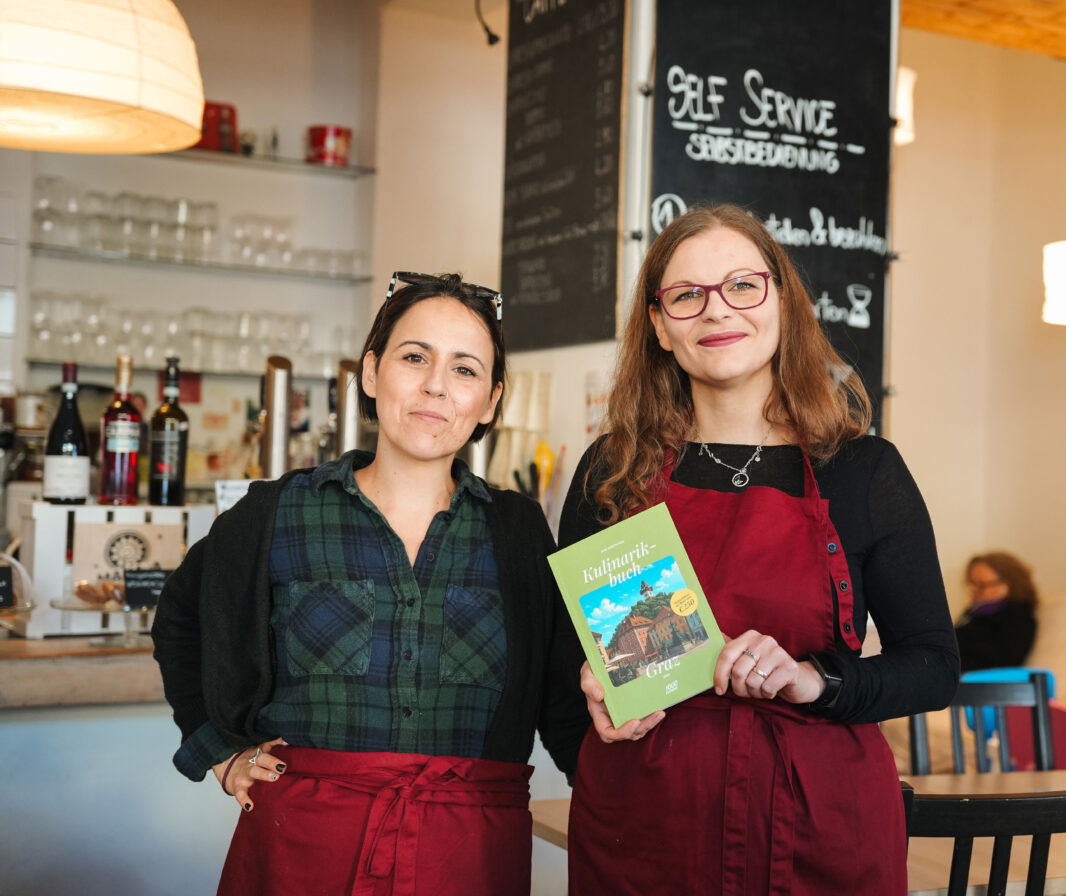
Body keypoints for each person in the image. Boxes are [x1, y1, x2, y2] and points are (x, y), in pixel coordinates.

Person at [558, 204, 960, 893]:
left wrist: (817, 679)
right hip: (643, 832)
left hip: (820, 830)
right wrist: (592, 686)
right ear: (658, 325)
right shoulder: (613, 469)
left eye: (742, 286)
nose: (717, 312)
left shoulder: (862, 471)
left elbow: (933, 666)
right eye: (687, 296)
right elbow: (569, 659)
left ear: (781, 300)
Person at [152, 272, 587, 896]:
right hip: (302, 848)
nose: (436, 384)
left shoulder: (517, 531)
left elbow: (561, 696)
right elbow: (180, 620)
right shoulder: (275, 514)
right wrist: (219, 752)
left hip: (469, 856)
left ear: (490, 402)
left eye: (465, 370)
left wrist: (625, 801)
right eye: (415, 358)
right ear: (372, 372)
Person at [954, 551, 1039, 671]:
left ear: (1007, 584)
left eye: (982, 585)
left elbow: (1006, 660)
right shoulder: (975, 612)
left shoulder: (1018, 615)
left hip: (973, 680)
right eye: (972, 584)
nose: (974, 590)